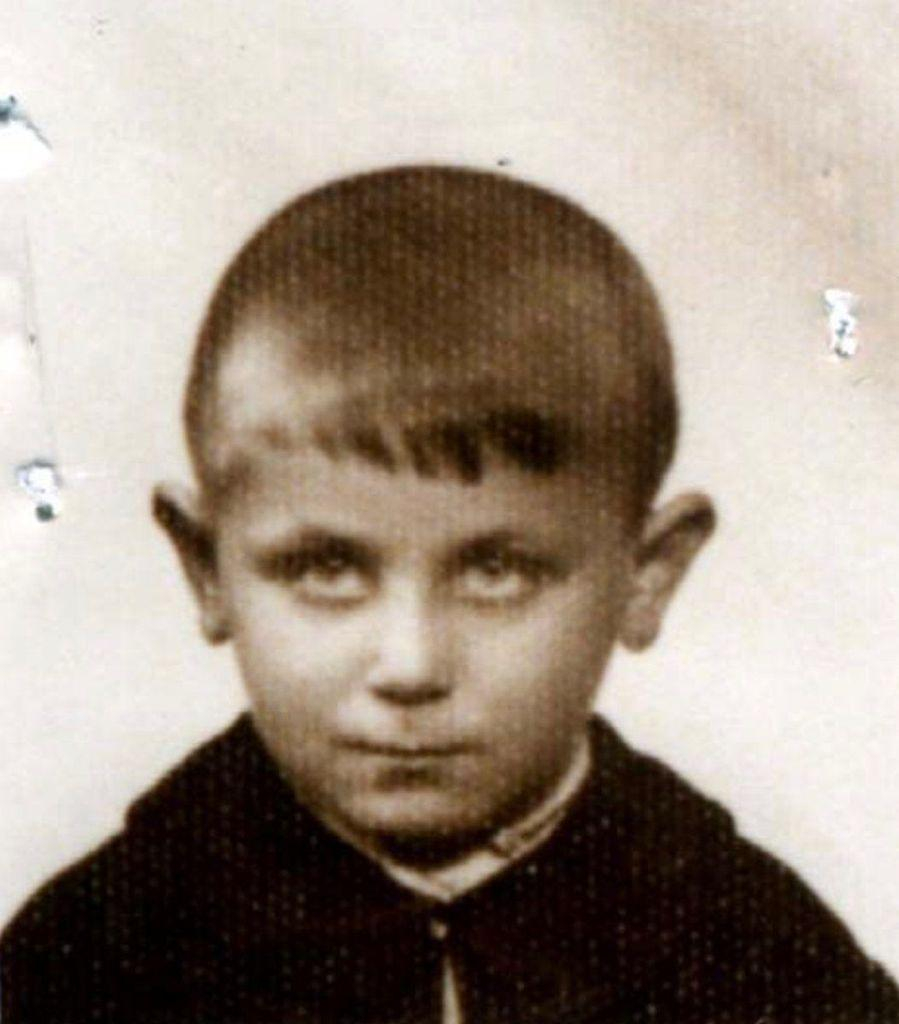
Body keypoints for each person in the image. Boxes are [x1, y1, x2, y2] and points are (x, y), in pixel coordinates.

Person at [1, 166, 896, 1024]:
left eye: (496, 573)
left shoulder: (762, 961)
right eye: (326, 569)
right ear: (205, 569)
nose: (411, 665)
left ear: (648, 573)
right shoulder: (86, 965)